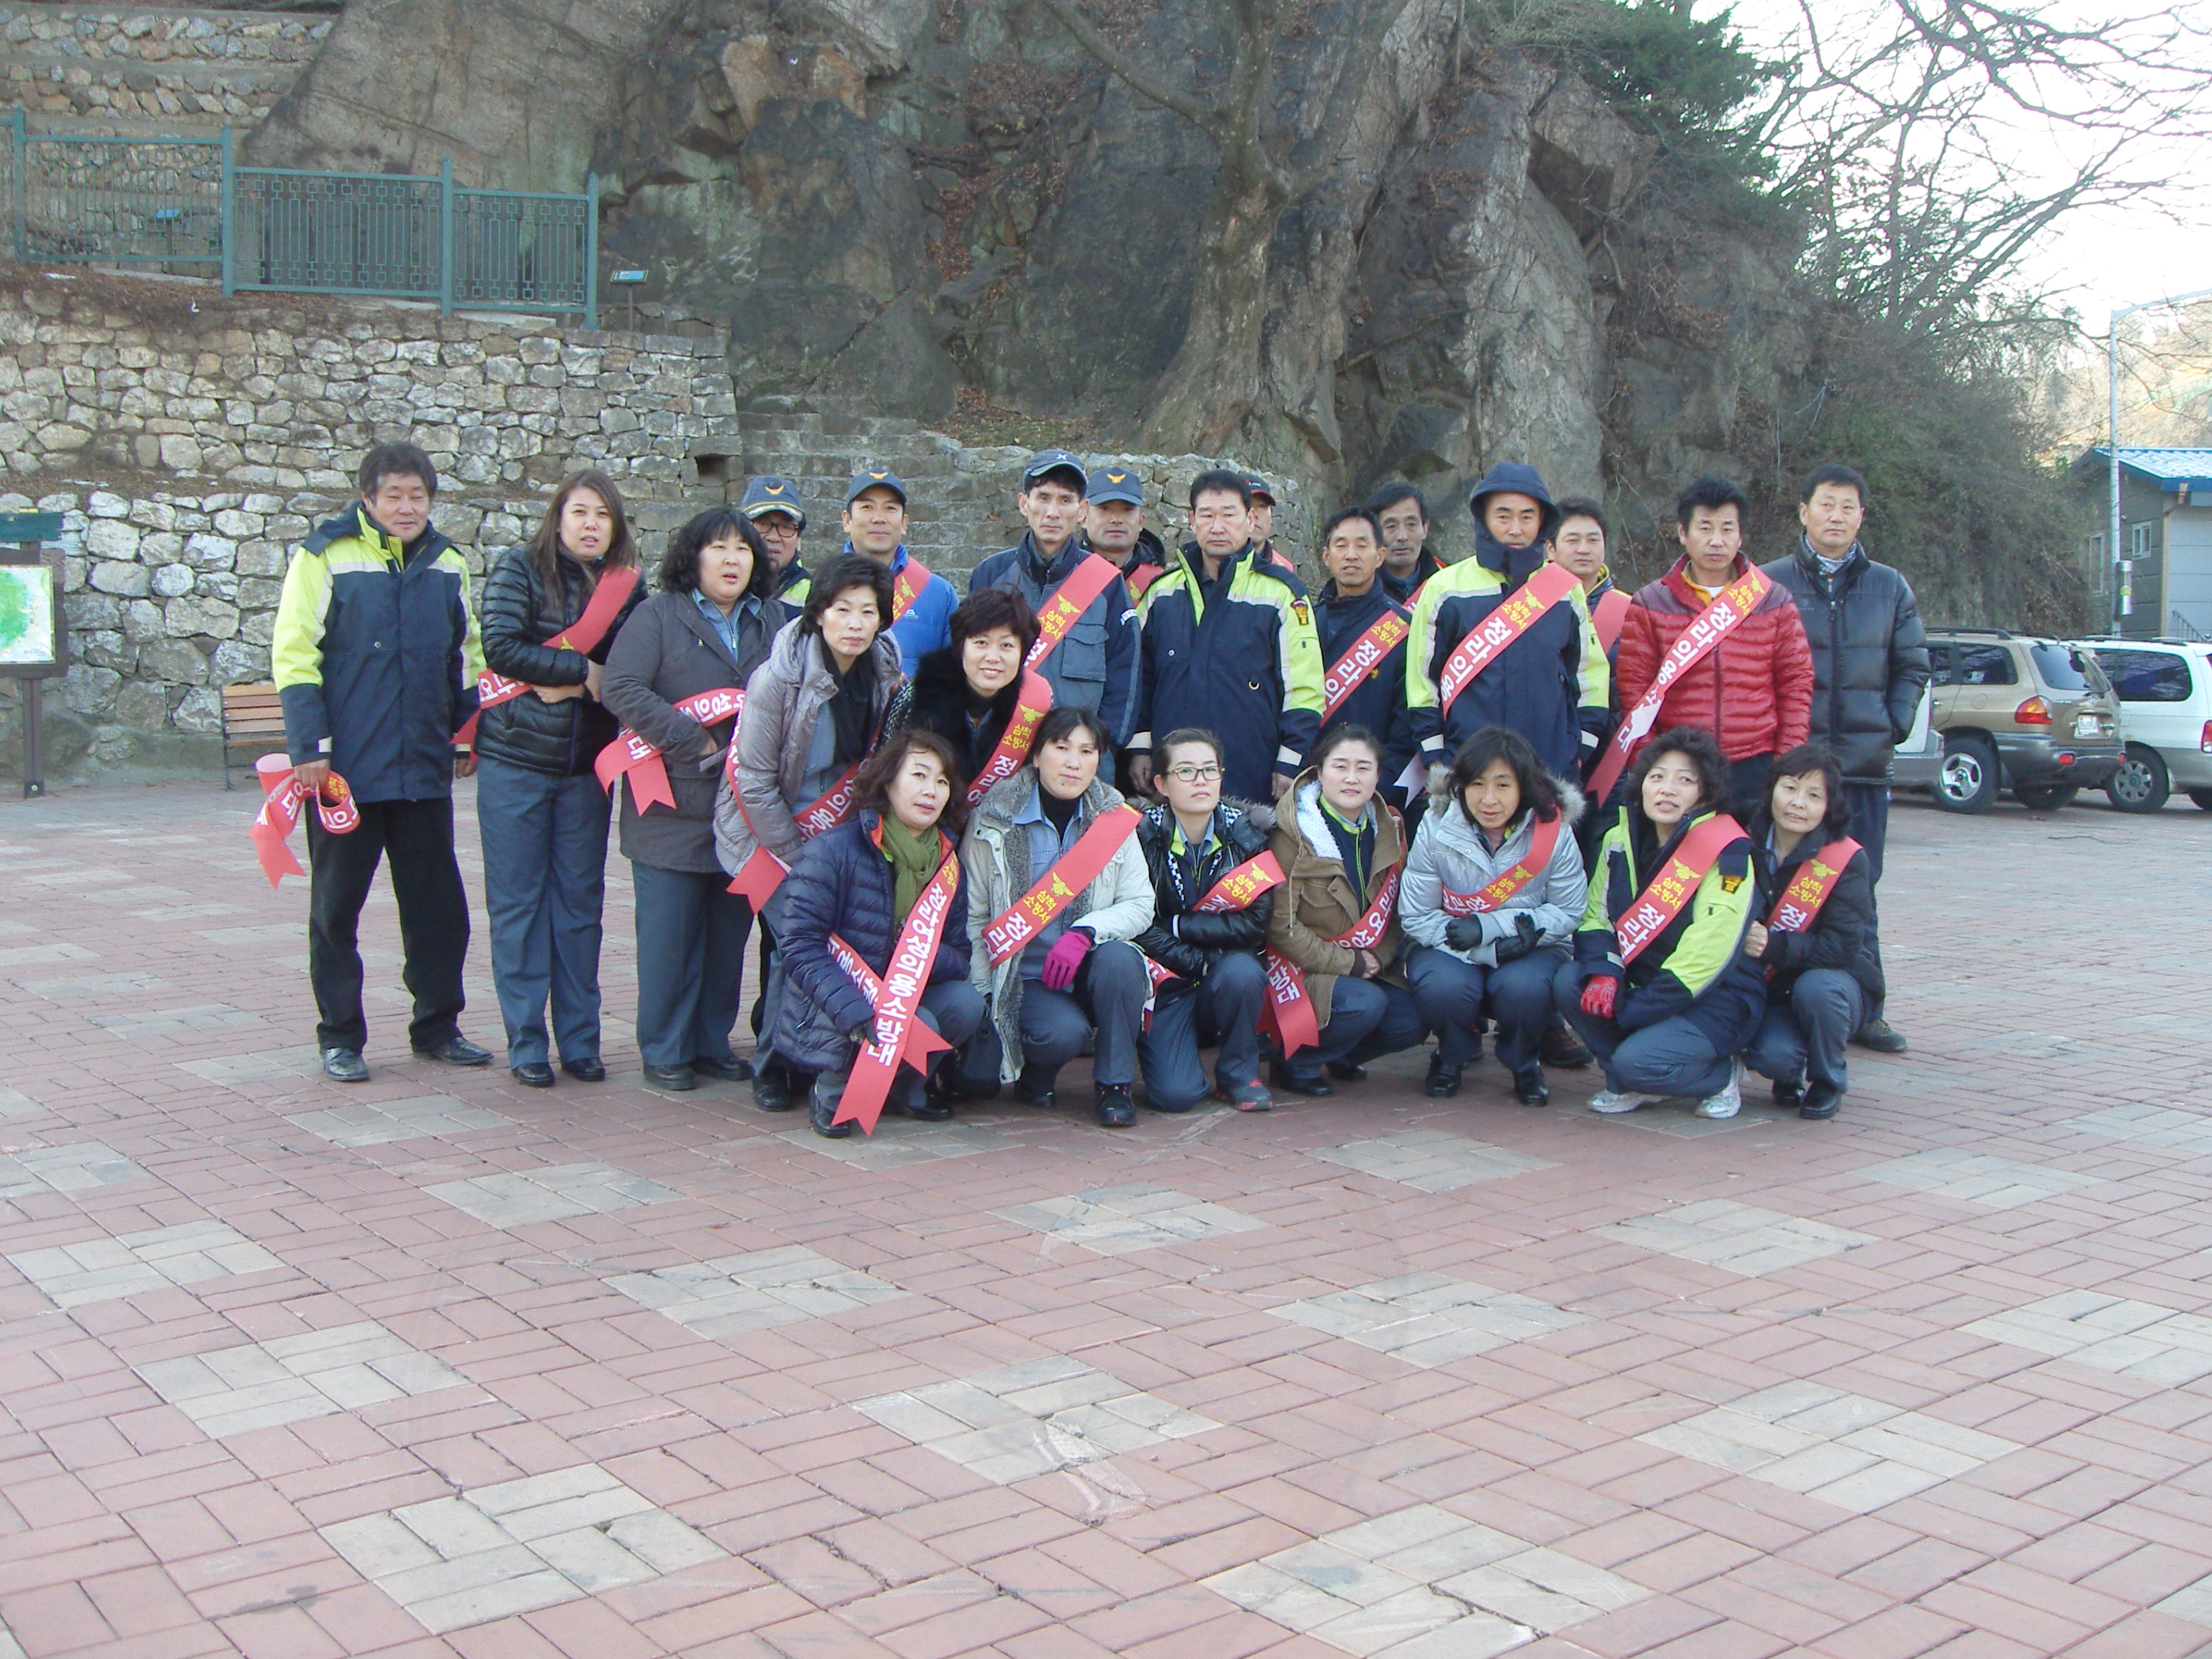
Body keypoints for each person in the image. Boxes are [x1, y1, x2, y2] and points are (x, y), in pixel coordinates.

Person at [271, 441, 488, 1083]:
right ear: (367, 498)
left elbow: (466, 655)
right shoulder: (323, 556)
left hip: (422, 769)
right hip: (344, 774)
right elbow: (295, 654)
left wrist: (465, 735)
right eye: (394, 495)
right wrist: (310, 749)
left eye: (418, 495)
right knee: (336, 909)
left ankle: (438, 1027)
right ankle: (341, 1036)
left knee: (437, 909)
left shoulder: (448, 563)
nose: (407, 506)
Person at [600, 508, 795, 1092]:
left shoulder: (777, 620)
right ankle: (665, 1048)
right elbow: (621, 686)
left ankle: (711, 1043)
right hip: (672, 803)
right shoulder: (658, 615)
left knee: (726, 938)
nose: (732, 560)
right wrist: (692, 740)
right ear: (693, 556)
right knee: (670, 938)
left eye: (742, 549)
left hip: (745, 810)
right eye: (718, 547)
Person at [472, 467, 646, 1087]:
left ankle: (579, 1040)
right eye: (580, 512)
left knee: (579, 906)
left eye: (603, 514)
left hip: (585, 771)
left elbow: (633, 663)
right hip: (514, 762)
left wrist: (571, 682)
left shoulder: (628, 587)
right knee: (518, 906)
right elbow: (501, 646)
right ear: (558, 516)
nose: (591, 525)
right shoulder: (519, 569)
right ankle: (526, 1042)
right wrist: (578, 672)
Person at [715, 554, 905, 1110]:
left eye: (867, 611)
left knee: (834, 949)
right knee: (797, 944)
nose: (855, 623)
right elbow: (752, 779)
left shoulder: (885, 670)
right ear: (819, 612)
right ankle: (772, 1066)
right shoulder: (778, 676)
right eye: (842, 609)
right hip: (771, 833)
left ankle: (814, 1057)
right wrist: (799, 861)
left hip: (840, 835)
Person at [1761, 463, 1927, 1056]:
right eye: (1826, 504)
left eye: (1848, 507)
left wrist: (1891, 724)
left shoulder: (1889, 586)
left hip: (1860, 770)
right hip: (1792, 772)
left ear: (1862, 516)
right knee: (1775, 883)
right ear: (1803, 511)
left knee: (1859, 889)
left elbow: (1913, 665)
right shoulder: (1770, 583)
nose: (1836, 516)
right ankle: (1774, 1000)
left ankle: (1867, 1008)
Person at [773, 730, 985, 1138]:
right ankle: (831, 1090)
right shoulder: (833, 850)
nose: (931, 791)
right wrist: (853, 1007)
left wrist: (914, 952)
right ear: (888, 782)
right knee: (912, 1019)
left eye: (942, 781)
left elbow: (960, 955)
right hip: (838, 997)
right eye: (919, 775)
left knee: (964, 1003)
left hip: (904, 990)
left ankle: (903, 1088)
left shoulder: (947, 864)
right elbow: (799, 946)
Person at [1556, 726, 1764, 1120]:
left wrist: (1637, 1009)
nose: (1667, 790)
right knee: (1570, 981)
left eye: (1685, 780)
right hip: (1644, 982)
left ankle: (1719, 1077)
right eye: (1657, 777)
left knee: (1639, 1061)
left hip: (1712, 996)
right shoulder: (1620, 836)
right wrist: (1605, 972)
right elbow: (1595, 915)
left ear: (1705, 793)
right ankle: (1623, 1081)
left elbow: (1709, 949)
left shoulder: (1727, 850)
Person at [963, 707, 1156, 1127]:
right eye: (1062, 747)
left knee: (1122, 961)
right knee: (1061, 1034)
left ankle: (1114, 1086)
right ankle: (1038, 1072)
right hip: (1024, 976)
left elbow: (1141, 903)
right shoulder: (993, 820)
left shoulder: (1114, 819)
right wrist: (984, 997)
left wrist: (1087, 932)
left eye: (1087, 751)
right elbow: (975, 916)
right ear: (1036, 755)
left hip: (1087, 965)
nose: (1074, 762)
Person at [1608, 475, 1814, 821]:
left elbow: (1796, 685)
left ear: (1740, 535)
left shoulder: (1772, 600)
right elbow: (1635, 694)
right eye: (1705, 528)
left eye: (1727, 529)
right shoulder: (1652, 602)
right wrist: (1650, 767)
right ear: (1683, 533)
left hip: (1755, 762)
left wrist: (1787, 765)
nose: (1716, 540)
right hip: (1680, 766)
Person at [1401, 727, 1588, 1106]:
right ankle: (1451, 1056)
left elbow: (1568, 910)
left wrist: (1491, 928)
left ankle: (1524, 1063)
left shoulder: (1553, 829)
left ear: (1524, 787)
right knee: (1444, 987)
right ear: (1461, 786)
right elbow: (1417, 914)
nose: (1489, 800)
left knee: (1524, 988)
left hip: (1531, 945)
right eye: (1477, 785)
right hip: (1451, 943)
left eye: (1503, 785)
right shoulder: (1436, 825)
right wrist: (1483, 949)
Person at [1406, 461, 1609, 791]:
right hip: (1469, 769)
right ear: (1483, 518)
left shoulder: (1564, 589)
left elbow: (1589, 674)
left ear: (1542, 522)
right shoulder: (1445, 588)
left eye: (1527, 517)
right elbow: (1422, 678)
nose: (1516, 528)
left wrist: (1580, 747)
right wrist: (1436, 755)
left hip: (1549, 767)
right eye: (1504, 516)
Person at [1129, 471, 1323, 804]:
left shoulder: (1282, 595)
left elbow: (1304, 688)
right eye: (1207, 515)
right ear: (1192, 520)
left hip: (1250, 775)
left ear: (1250, 519)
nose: (1217, 527)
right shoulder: (1162, 593)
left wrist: (1290, 761)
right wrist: (1139, 747)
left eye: (1229, 515)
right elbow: (1137, 680)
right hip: (1170, 774)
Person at [1262, 725, 1426, 1097]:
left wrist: (1375, 958)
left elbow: (1396, 915)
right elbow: (1281, 926)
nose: (1352, 778)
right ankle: (1294, 1062)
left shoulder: (1389, 828)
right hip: (1301, 968)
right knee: (1365, 1004)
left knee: (1414, 1019)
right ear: (1319, 773)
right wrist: (1349, 963)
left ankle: (1341, 1053)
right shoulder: (1291, 835)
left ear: (1378, 776)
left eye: (1363, 768)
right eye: (1340, 767)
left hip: (1364, 962)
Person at [1133, 729, 1279, 1112]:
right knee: (1175, 1096)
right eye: (1186, 771)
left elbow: (1255, 921)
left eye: (1209, 770)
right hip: (1168, 980)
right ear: (1162, 784)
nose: (1200, 780)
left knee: (1243, 973)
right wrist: (1199, 960)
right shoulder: (1140, 837)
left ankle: (1238, 1076)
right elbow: (1139, 925)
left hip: (1225, 972)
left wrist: (1180, 926)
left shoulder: (1248, 835)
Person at [1742, 743, 1878, 1120]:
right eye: (1790, 788)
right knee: (1774, 1057)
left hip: (1835, 981)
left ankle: (1827, 1080)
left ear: (1829, 806)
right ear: (1771, 788)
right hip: (1773, 988)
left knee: (1818, 989)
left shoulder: (1846, 859)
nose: (1798, 803)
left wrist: (1774, 945)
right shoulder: (1744, 842)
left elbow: (1842, 948)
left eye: (1814, 795)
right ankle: (1788, 1074)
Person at [967, 450, 1141, 743]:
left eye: (1065, 500)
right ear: (1024, 503)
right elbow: (965, 660)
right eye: (1043, 498)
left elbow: (1125, 671)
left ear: (1082, 510)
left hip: (1078, 754)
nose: (1052, 512)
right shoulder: (990, 575)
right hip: (999, 751)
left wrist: (1104, 747)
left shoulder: (1106, 582)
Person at [884, 587, 1042, 791]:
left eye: (1006, 646)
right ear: (961, 647)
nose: (993, 657)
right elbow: (884, 772)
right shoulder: (914, 695)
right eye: (981, 642)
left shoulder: (1032, 707)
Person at [1313, 506, 1416, 796]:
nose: (1351, 555)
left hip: (1374, 784)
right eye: (1341, 545)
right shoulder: (1306, 622)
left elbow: (1407, 722)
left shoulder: (1402, 628)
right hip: (1310, 780)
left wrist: (1384, 786)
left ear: (1380, 555)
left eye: (1362, 545)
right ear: (1326, 556)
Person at [841, 467, 957, 670]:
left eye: (890, 508)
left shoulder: (940, 594)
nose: (879, 518)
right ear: (847, 521)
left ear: (904, 523)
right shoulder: (823, 588)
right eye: (867, 507)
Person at [1083, 460, 1169, 600]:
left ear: (1141, 521)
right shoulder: (1064, 575)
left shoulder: (1161, 584)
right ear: (1083, 516)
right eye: (1105, 509)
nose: (1116, 519)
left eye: (1127, 510)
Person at [1550, 500, 1624, 660]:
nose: (1584, 550)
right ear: (1550, 549)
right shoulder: (1530, 602)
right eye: (1573, 540)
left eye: (1593, 540)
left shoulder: (1629, 610)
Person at [1366, 481, 1444, 603]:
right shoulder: (1361, 592)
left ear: (1425, 529)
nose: (1402, 536)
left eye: (1411, 525)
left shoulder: (1447, 584)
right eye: (1391, 526)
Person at [740, 475, 810, 603]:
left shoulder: (815, 597)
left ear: (798, 537)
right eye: (763, 524)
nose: (774, 537)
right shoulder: (719, 589)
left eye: (787, 527)